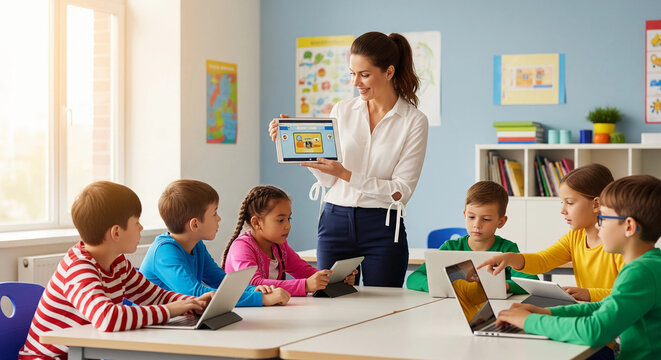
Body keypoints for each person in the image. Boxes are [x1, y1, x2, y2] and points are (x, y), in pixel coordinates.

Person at [268, 31, 428, 287]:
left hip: (383, 227)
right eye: (352, 73)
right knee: (331, 303)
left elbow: (400, 193)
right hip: (335, 221)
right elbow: (330, 180)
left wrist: (346, 175)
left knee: (383, 309)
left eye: (364, 74)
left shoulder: (413, 121)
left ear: (388, 72)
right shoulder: (342, 110)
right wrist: (293, 144)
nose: (356, 82)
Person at [20, 181, 212, 359]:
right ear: (116, 232)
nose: (141, 227)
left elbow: (154, 296)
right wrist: (171, 310)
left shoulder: (118, 263)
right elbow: (106, 318)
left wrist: (192, 302)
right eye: (137, 222)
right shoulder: (78, 268)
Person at [496, 175, 661, 359]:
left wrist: (528, 321)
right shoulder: (649, 264)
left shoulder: (642, 272)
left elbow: (594, 330)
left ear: (629, 226)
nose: (598, 227)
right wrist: (547, 312)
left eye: (603, 219)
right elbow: (603, 306)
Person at [478, 164, 625, 302]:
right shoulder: (575, 237)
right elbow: (543, 260)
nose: (563, 210)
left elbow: (631, 292)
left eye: (570, 203)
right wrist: (511, 258)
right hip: (593, 311)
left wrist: (589, 293)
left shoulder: (620, 243)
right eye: (562, 202)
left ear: (596, 204)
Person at [140, 180, 290, 306]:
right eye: (214, 213)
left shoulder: (196, 246)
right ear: (195, 225)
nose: (219, 219)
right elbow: (195, 293)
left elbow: (221, 282)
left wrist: (255, 290)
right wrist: (260, 299)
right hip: (150, 328)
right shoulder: (164, 252)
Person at [222, 185, 357, 296]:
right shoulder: (242, 248)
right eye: (280, 220)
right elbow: (254, 284)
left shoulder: (279, 246)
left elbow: (303, 270)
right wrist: (305, 285)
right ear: (256, 223)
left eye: (288, 219)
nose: (288, 225)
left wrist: (333, 278)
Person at [407, 181, 538, 294]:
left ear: (501, 222)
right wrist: (443, 286)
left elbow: (532, 282)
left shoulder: (507, 249)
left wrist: (505, 286)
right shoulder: (450, 248)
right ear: (465, 214)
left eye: (486, 219)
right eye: (471, 217)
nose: (476, 225)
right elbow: (413, 278)